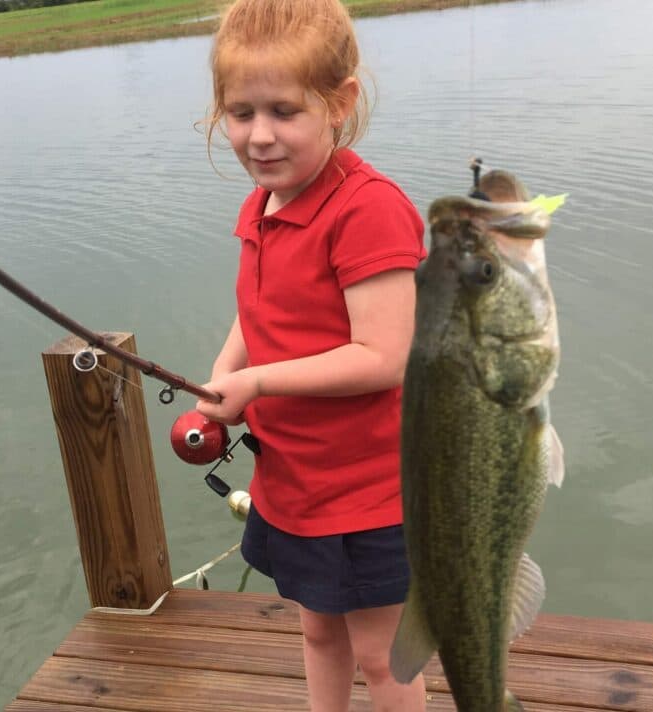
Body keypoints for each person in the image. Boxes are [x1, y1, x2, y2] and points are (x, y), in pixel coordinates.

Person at [195, 1, 428, 710]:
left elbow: (384, 355)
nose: (259, 136)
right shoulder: (265, 201)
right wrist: (225, 373)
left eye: (284, 111)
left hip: (370, 493)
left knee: (385, 660)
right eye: (241, 113)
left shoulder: (368, 210)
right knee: (318, 636)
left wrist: (259, 380)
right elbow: (260, 309)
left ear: (339, 104)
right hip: (292, 481)